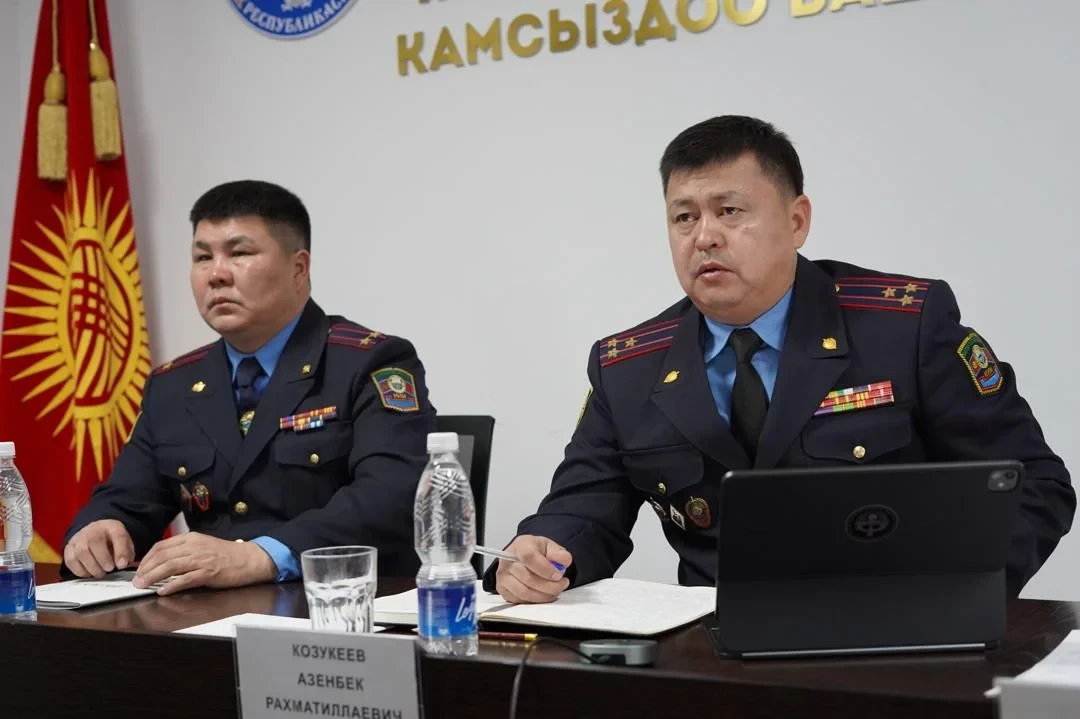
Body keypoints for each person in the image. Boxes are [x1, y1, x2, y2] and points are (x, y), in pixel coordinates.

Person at [485, 115, 1075, 603]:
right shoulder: (627, 366)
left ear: (797, 221)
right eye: (684, 217)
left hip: (894, 635)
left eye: (730, 211)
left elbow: (1030, 484)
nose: (704, 236)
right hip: (709, 652)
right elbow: (585, 507)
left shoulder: (904, 327)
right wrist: (542, 552)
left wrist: (956, 595)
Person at [61, 180, 436, 594]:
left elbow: (392, 496)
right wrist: (102, 528)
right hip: (205, 614)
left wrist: (263, 555)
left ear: (299, 269)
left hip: (341, 604)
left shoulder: (368, 362)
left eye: (239, 253)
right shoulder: (173, 384)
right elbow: (128, 497)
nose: (216, 275)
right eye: (202, 257)